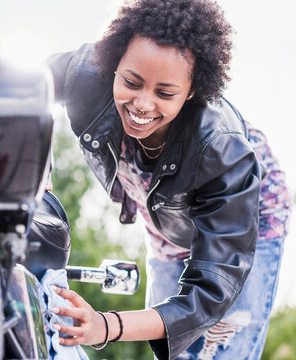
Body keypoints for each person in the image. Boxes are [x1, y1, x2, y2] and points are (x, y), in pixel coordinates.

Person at [47, 0, 292, 359]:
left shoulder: (224, 152)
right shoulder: (84, 73)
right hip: (166, 216)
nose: (142, 104)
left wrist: (105, 324)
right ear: (114, 65)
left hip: (249, 219)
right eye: (132, 82)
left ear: (191, 92)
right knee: (174, 350)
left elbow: (207, 295)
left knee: (217, 348)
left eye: (165, 93)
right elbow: (19, 92)